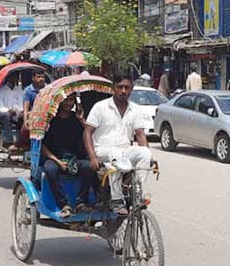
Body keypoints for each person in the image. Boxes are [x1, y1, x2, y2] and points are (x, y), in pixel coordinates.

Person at [83, 74, 152, 215]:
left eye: (127, 87)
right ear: (113, 88)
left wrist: (148, 156)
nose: (123, 91)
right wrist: (92, 157)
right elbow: (87, 132)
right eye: (120, 87)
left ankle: (137, 194)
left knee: (145, 153)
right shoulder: (100, 107)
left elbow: (140, 135)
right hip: (102, 151)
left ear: (131, 89)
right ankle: (117, 199)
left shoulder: (135, 109)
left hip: (123, 152)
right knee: (115, 154)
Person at [40, 94, 95, 218]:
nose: (69, 103)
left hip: (73, 159)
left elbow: (90, 135)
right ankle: (63, 205)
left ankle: (81, 202)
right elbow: (43, 146)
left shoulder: (76, 120)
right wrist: (58, 161)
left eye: (71, 100)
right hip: (54, 158)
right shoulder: (51, 121)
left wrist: (81, 120)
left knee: (88, 166)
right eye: (66, 100)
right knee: (50, 169)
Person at [0, 73, 24, 147]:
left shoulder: (19, 90)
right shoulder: (2, 89)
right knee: (6, 115)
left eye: (15, 78)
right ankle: (9, 140)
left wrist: (19, 111)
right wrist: (8, 110)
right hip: (3, 113)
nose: (13, 79)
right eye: (12, 77)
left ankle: (22, 140)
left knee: (25, 117)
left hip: (15, 113)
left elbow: (21, 103)